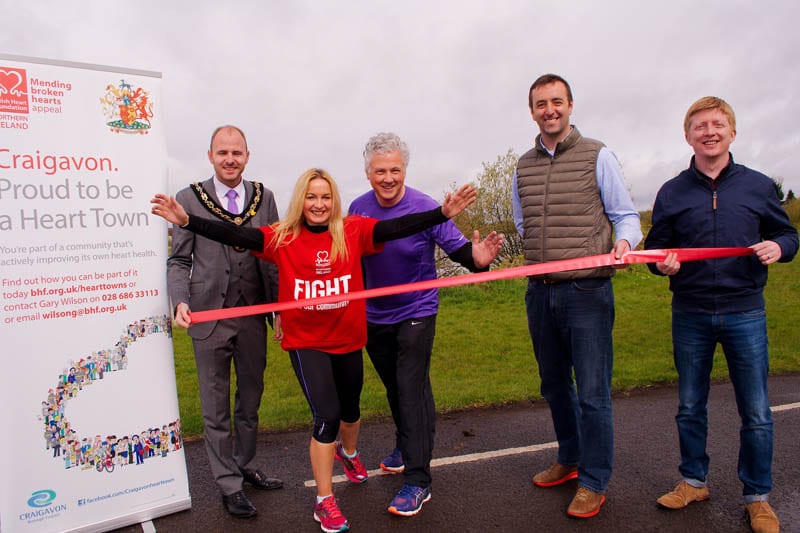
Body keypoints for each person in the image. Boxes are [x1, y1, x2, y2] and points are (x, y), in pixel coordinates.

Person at [152, 168, 478, 533]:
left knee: (351, 411)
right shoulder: (283, 238)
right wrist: (187, 220)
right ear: (301, 201)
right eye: (311, 197)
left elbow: (397, 228)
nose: (319, 204)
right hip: (306, 342)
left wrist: (441, 215)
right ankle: (325, 501)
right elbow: (234, 233)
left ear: (333, 201)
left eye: (325, 197)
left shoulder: (352, 230)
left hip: (348, 338)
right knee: (327, 415)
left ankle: (349, 453)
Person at [644, 97, 797, 533]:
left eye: (717, 124)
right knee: (690, 406)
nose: (709, 132)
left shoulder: (758, 185)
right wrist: (662, 264)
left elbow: (787, 235)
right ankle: (694, 480)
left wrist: (779, 248)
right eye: (699, 126)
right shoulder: (672, 191)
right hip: (690, 312)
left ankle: (758, 496)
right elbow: (658, 250)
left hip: (745, 310)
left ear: (732, 131)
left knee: (757, 410)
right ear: (687, 135)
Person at [348, 132, 503, 516]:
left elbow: (462, 252)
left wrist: (479, 258)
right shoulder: (356, 208)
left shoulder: (425, 206)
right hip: (373, 315)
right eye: (380, 171)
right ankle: (407, 445)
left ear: (405, 170)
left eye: (395, 170)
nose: (388, 178)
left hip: (417, 310)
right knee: (395, 388)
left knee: (410, 387)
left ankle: (418, 480)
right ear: (368, 173)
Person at [511, 73, 642, 518]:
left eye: (557, 102)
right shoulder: (522, 166)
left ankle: (593, 480)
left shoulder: (597, 154)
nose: (549, 110)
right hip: (539, 291)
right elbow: (523, 223)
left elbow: (625, 215)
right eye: (541, 104)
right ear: (531, 111)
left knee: (592, 391)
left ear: (570, 105)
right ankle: (569, 458)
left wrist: (624, 243)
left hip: (588, 290)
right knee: (553, 385)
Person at [166, 125, 283, 518]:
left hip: (251, 316)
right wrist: (179, 300)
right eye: (222, 153)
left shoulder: (264, 197)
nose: (230, 159)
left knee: (250, 400)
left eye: (237, 152)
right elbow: (180, 260)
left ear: (247, 155)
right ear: (210, 156)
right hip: (208, 316)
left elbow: (273, 254)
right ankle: (228, 484)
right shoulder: (187, 199)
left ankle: (246, 466)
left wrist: (278, 309)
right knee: (214, 406)